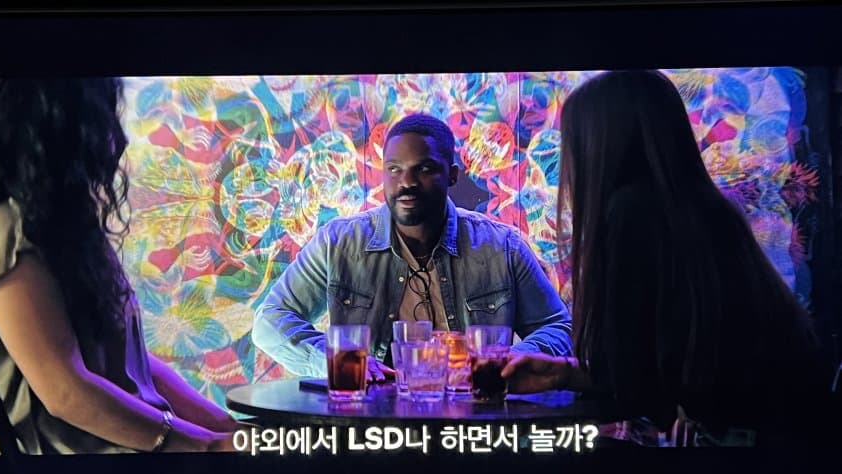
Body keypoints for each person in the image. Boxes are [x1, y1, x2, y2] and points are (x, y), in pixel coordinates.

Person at [501, 70, 837, 447]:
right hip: (794, 430)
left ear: (600, 144)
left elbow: (636, 389)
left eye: (572, 141)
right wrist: (563, 374)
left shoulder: (631, 213)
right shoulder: (704, 207)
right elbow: (654, 369)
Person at [0, 78, 239, 453]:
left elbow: (130, 365)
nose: (115, 136)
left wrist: (224, 428)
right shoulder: (7, 229)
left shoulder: (64, 221)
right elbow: (65, 392)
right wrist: (205, 447)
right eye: (105, 114)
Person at [253, 113, 572, 380]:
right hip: (368, 424)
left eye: (424, 169)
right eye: (394, 169)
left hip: (473, 421)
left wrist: (507, 361)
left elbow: (559, 327)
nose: (407, 182)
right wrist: (338, 361)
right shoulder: (337, 243)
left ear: (452, 176)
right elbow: (269, 321)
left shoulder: (502, 247)